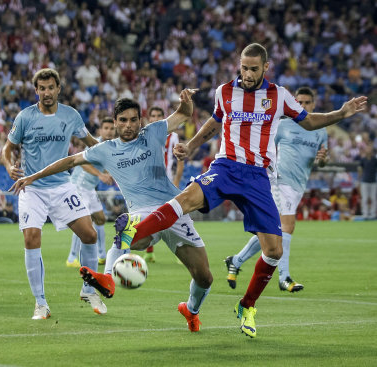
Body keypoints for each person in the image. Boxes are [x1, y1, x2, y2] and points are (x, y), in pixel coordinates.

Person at [107, 43, 366, 338]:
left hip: (257, 177)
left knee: (274, 251)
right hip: (226, 167)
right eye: (243, 67)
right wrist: (191, 146)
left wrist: (342, 113)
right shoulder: (225, 92)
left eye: (253, 69)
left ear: (265, 68)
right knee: (186, 199)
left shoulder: (278, 96)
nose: (247, 73)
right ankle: (132, 234)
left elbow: (308, 122)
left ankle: (246, 305)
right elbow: (214, 123)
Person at [11, 91, 213, 333]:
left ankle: (191, 310)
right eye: (123, 120)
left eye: (133, 120)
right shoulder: (105, 149)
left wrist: (186, 103)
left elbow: (184, 114)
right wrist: (33, 176)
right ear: (115, 122)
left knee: (204, 277)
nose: (128, 125)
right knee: (127, 226)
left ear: (141, 121)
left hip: (174, 209)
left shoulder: (154, 132)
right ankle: (107, 277)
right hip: (142, 213)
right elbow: (69, 161)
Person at [1, 68, 103, 319]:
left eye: (50, 87)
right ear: (36, 91)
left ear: (59, 88)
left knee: (90, 235)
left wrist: (112, 154)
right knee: (31, 239)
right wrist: (9, 165)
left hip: (62, 186)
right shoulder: (25, 117)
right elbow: (8, 148)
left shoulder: (71, 115)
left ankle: (89, 289)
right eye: (42, 88)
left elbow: (89, 141)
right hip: (32, 188)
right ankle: (40, 303)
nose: (46, 92)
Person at [225, 87, 329, 294]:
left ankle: (236, 260)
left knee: (273, 230)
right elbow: (265, 146)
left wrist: (323, 160)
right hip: (279, 180)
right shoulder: (283, 125)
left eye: (307, 102)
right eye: (299, 102)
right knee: (287, 226)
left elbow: (322, 161)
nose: (303, 106)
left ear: (314, 104)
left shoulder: (320, 129)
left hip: (298, 185)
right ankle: (284, 277)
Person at [66, 117, 116, 268]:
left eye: (111, 128)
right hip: (79, 186)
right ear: (100, 130)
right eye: (105, 128)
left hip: (89, 189)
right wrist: (101, 175)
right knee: (82, 222)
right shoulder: (95, 144)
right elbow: (83, 163)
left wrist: (110, 174)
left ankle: (101, 255)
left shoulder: (112, 146)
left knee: (100, 219)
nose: (108, 131)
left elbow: (106, 165)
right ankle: (71, 258)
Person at [143, 106, 185, 263]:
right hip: (149, 184)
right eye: (152, 115)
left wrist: (176, 183)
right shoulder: (144, 136)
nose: (155, 118)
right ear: (149, 118)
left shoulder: (173, 137)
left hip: (167, 183)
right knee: (147, 216)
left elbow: (180, 162)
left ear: (163, 118)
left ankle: (184, 249)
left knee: (176, 217)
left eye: (158, 115)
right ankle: (149, 252)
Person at [358, 146, 377, 220]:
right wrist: (359, 179)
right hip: (364, 181)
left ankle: (372, 214)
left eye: (370, 149)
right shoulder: (363, 160)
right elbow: (360, 169)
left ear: (372, 151)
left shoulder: (375, 160)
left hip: (373, 181)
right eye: (368, 149)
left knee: (373, 198)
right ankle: (365, 214)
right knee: (364, 198)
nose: (369, 151)